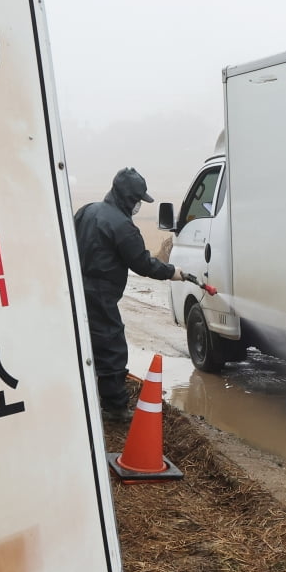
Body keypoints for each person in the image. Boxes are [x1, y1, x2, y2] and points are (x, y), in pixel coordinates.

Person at [74, 167, 186, 422]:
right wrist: (173, 272)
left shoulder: (87, 210)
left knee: (82, 341)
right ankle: (115, 408)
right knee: (111, 346)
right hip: (100, 293)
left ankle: (81, 396)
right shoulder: (122, 226)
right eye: (137, 200)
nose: (138, 205)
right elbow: (143, 264)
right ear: (127, 197)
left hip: (75, 287)